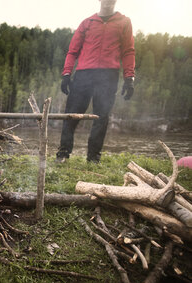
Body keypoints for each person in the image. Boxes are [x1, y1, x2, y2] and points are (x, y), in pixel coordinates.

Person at [56, 0, 135, 163]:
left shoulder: (124, 22)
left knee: (101, 117)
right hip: (84, 74)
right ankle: (63, 154)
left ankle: (93, 158)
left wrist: (129, 78)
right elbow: (72, 51)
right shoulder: (87, 23)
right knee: (71, 114)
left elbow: (128, 52)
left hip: (108, 76)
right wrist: (66, 74)